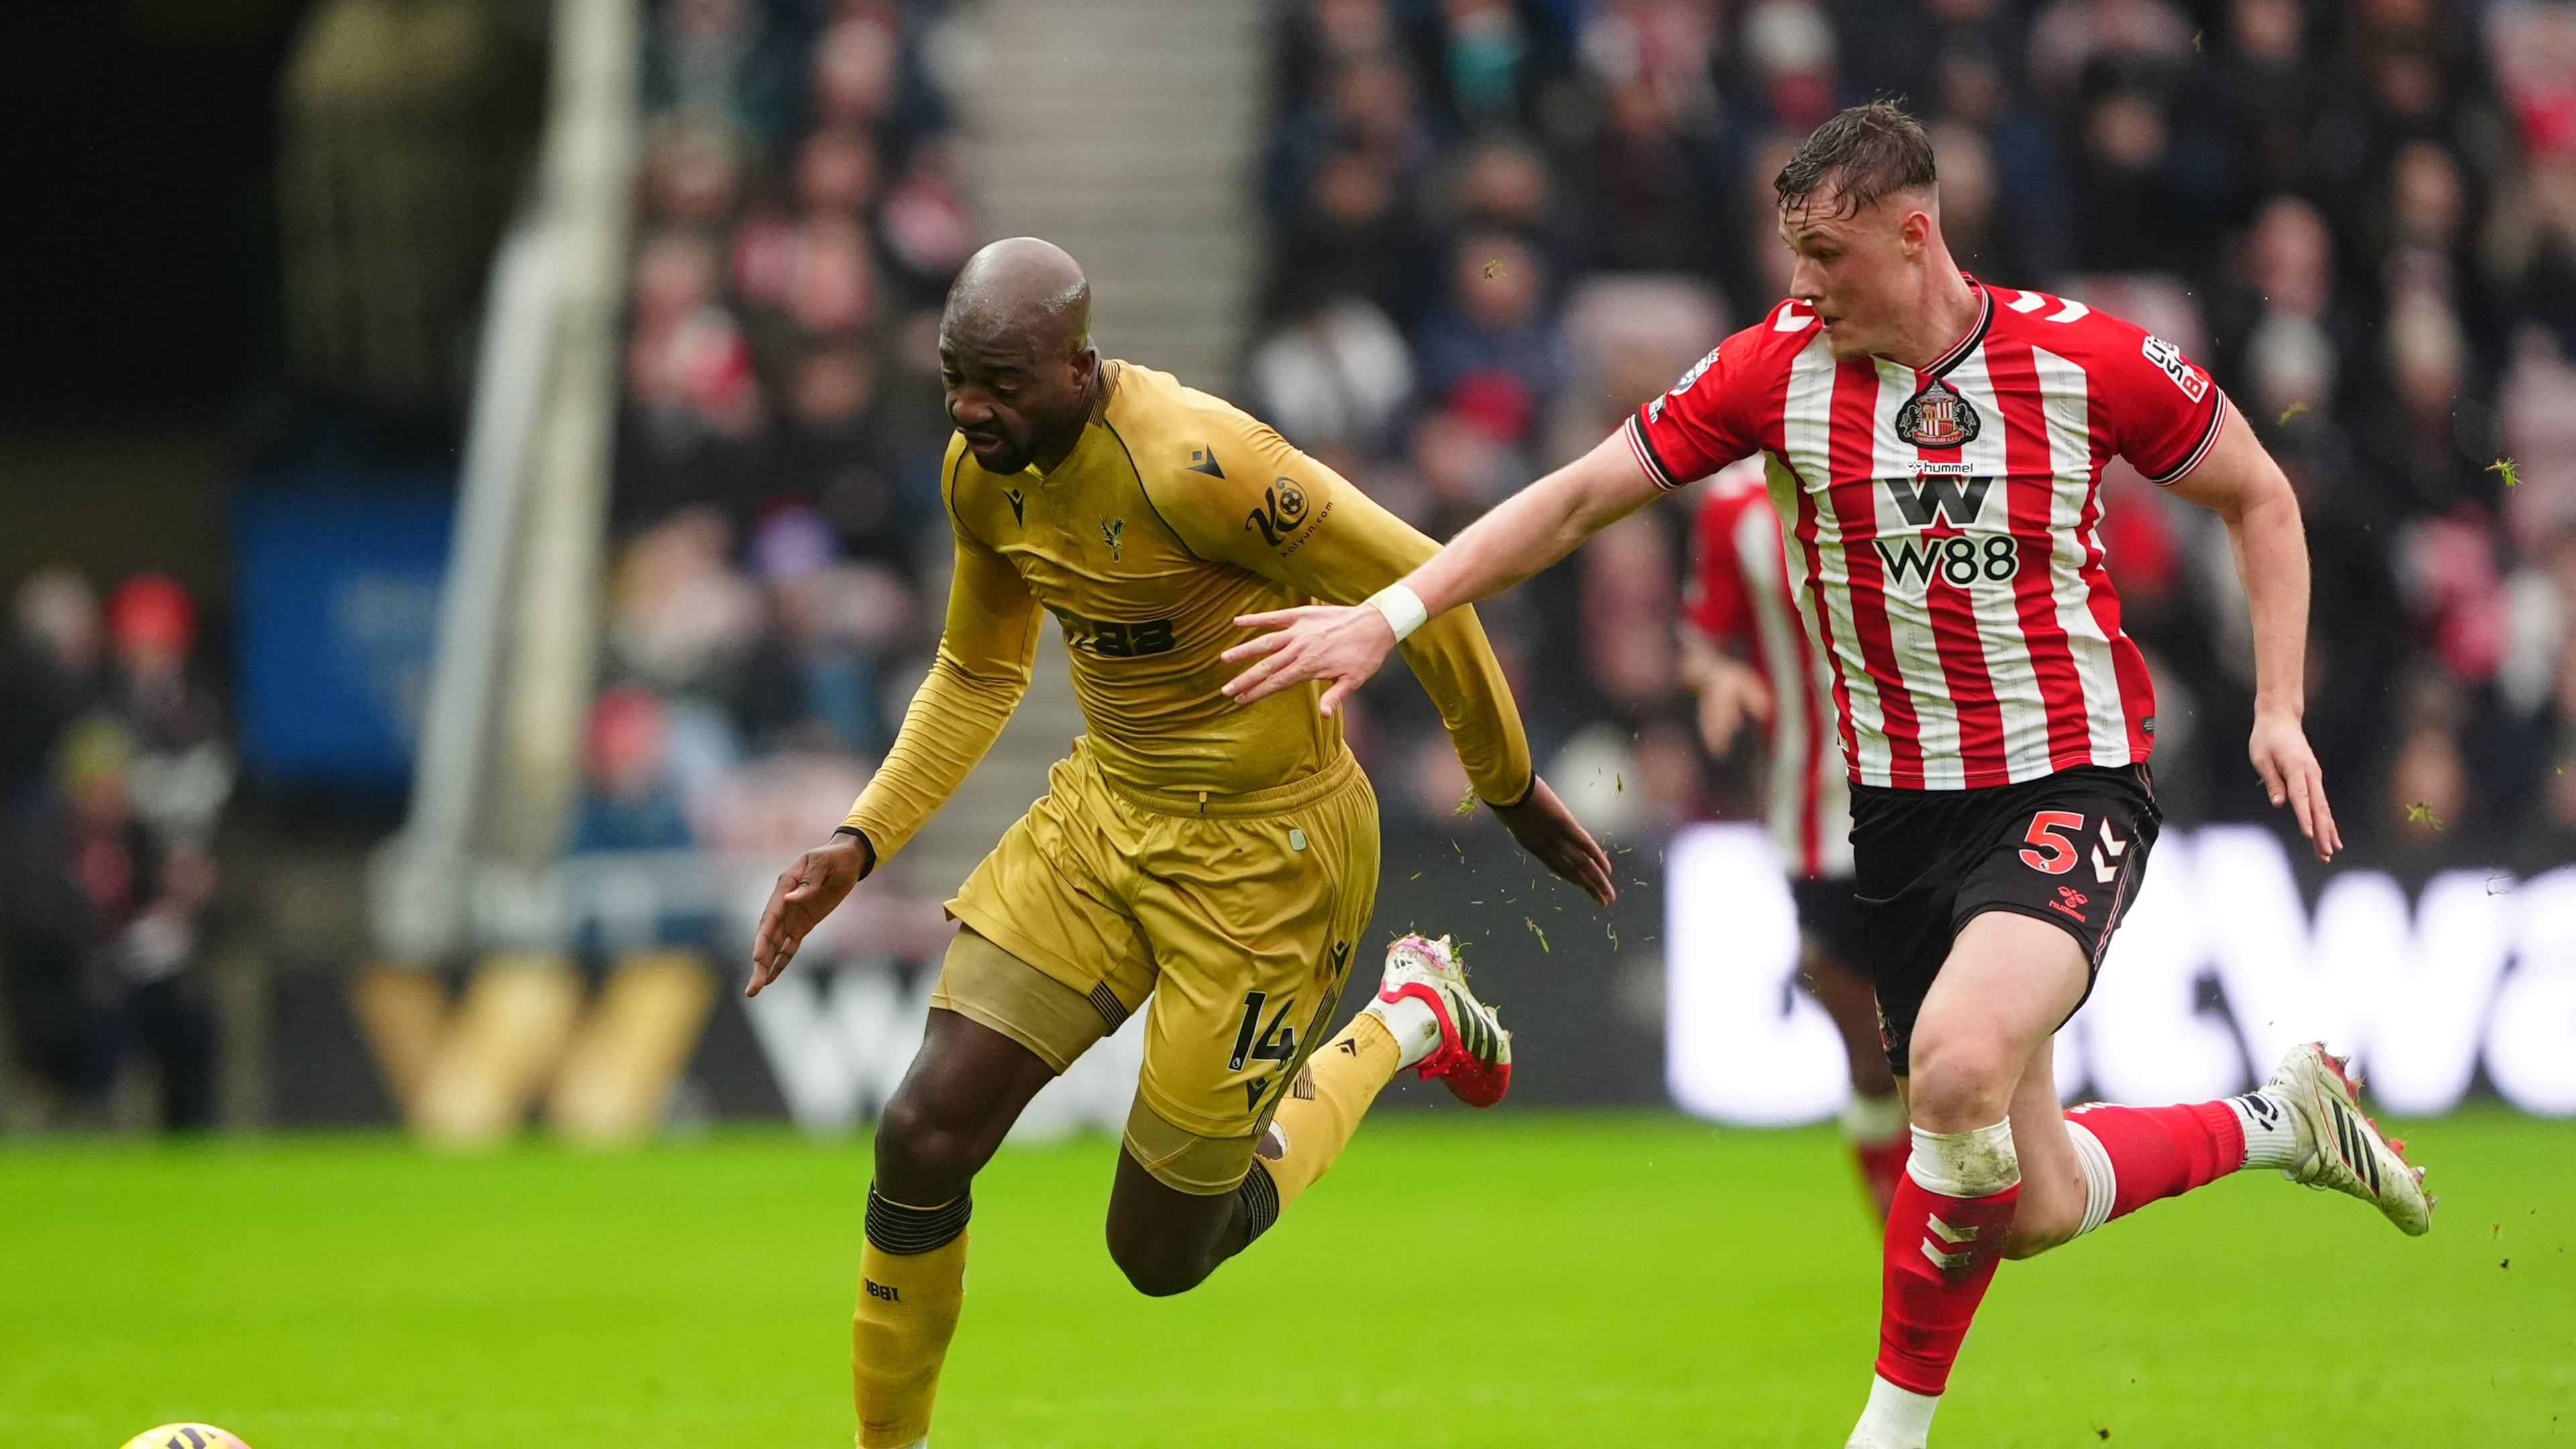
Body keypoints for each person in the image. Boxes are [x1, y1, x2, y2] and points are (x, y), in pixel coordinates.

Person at [1222, 103, 2432, 1449]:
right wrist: (1387, 617)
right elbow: (1571, 500)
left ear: (1916, 235)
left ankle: (1885, 1435)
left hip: (2067, 781)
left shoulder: (2083, 360)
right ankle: (2283, 1118)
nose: (1800, 283)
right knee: (2024, 1202)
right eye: (1790, 251)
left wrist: (2279, 701)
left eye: (1826, 254)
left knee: (1957, 1075)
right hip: (1900, 823)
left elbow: (2260, 495)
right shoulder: (1774, 373)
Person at [748, 237, 1611, 1449]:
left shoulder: (1202, 462)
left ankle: (1412, 1012)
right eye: (955, 376)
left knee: (1160, 1254)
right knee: (921, 1133)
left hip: (1270, 861)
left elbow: (1421, 581)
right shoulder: (978, 472)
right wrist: (860, 839)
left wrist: (1507, 785)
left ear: (1077, 365)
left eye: (997, 380)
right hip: (1104, 820)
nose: (968, 407)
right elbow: (977, 671)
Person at [1680, 455, 1906, 1219]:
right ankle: (1907, 1253)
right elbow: (1702, 637)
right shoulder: (1735, 504)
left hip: (1943, 800)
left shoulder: (1924, 456)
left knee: (1946, 1049)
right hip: (1815, 813)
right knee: (1872, 1053)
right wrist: (1716, 677)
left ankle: (1961, 1228)